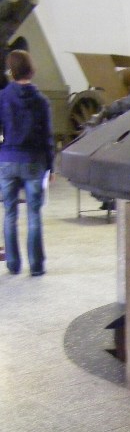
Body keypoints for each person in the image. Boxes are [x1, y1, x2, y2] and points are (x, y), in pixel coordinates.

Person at [0, 49, 55, 276]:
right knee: (34, 214)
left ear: (11, 70)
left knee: (10, 213)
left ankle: (13, 264)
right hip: (34, 161)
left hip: (7, 160)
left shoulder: (2, 97)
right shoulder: (41, 101)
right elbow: (47, 137)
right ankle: (36, 265)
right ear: (31, 69)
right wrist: (51, 167)